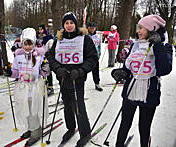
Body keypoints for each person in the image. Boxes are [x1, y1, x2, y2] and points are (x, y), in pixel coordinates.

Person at [111, 15, 173, 147]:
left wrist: (157, 45)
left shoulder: (165, 46)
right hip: (131, 89)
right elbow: (129, 67)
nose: (138, 31)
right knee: (124, 123)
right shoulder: (135, 45)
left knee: (144, 127)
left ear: (152, 29)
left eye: (141, 28)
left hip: (149, 92)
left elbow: (164, 69)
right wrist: (122, 72)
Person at [46, 12, 98, 147]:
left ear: (76, 24)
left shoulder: (84, 38)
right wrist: (58, 69)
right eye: (66, 23)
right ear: (63, 25)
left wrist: (81, 70)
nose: (69, 26)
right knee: (67, 104)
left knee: (78, 105)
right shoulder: (59, 39)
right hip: (64, 77)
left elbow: (92, 58)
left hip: (77, 78)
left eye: (71, 23)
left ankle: (85, 132)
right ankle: (70, 128)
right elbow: (51, 57)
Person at [4, 28, 50, 146]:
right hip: (22, 87)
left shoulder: (39, 57)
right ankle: (31, 128)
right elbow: (16, 73)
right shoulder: (18, 57)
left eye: (30, 44)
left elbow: (44, 73)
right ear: (22, 44)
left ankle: (36, 132)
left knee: (33, 109)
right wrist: (10, 73)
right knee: (26, 109)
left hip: (35, 87)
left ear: (34, 44)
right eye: (26, 44)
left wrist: (45, 68)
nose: (28, 47)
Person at [37, 24, 55, 96]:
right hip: (41, 58)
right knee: (43, 72)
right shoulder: (39, 39)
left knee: (48, 72)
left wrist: (48, 54)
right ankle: (45, 85)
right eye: (39, 30)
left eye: (41, 29)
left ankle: (50, 87)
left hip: (47, 58)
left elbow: (51, 48)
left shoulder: (49, 39)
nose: (40, 31)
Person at [87, 22, 103, 91]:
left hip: (95, 57)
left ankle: (97, 83)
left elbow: (99, 46)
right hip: (87, 57)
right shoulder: (86, 36)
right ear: (88, 28)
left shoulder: (96, 37)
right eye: (91, 28)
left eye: (93, 28)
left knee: (96, 71)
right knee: (84, 71)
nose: (92, 29)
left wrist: (99, 54)